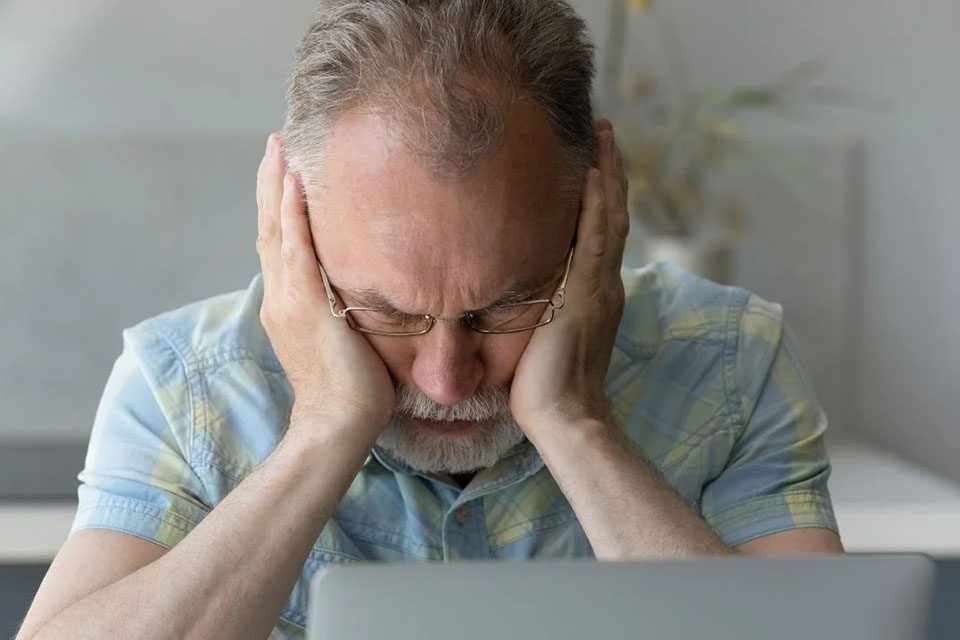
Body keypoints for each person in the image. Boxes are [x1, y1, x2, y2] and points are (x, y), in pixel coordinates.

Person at [17, 1, 843, 638]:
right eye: (385, 312)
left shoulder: (731, 362)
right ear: (290, 229)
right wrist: (325, 428)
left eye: (507, 306)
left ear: (598, 217)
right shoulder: (184, 387)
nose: (447, 379)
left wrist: (577, 422)